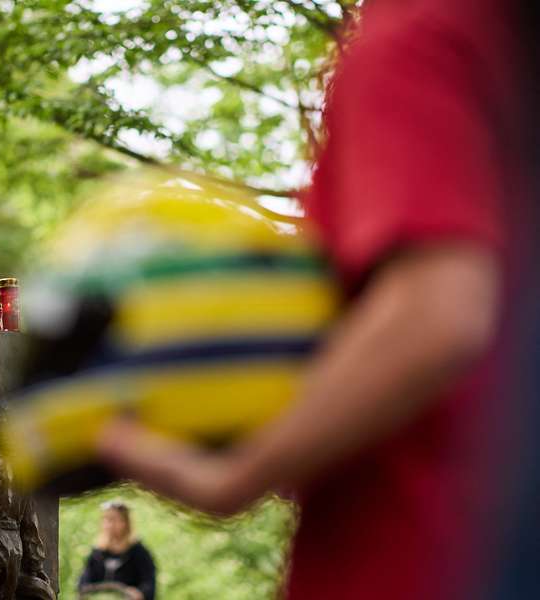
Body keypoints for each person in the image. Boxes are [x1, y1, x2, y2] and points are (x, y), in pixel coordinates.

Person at [95, 1, 537, 599]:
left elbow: (436, 314)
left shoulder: (415, 34)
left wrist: (236, 473)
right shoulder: (491, 31)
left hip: (414, 555)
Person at [78, 501, 156, 600]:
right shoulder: (98, 552)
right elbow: (84, 581)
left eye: (113, 519)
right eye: (105, 519)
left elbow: (149, 583)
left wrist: (139, 593)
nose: (108, 524)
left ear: (125, 522)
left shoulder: (138, 552)